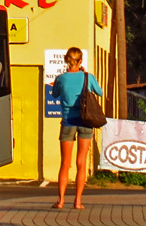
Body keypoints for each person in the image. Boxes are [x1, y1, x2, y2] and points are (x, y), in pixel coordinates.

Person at [50, 46, 103, 210]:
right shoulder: (87, 77)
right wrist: (85, 77)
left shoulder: (61, 78)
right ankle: (78, 201)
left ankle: (60, 201)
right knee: (81, 162)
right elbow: (100, 92)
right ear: (80, 61)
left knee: (65, 163)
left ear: (66, 60)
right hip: (85, 121)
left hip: (67, 121)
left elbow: (54, 94)